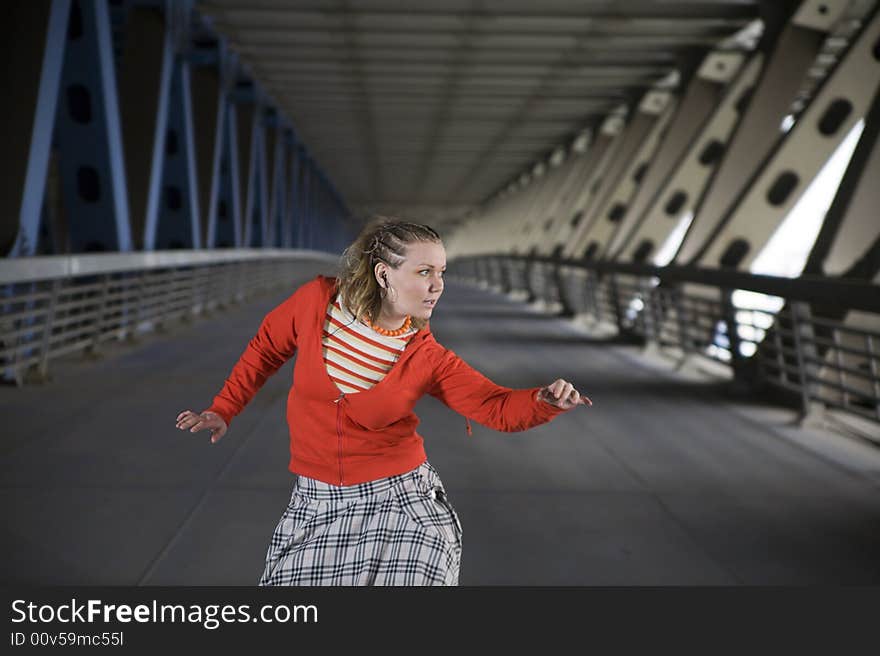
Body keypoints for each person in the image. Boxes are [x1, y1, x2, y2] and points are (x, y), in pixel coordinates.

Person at [175, 218, 591, 586]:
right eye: (424, 271)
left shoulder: (427, 358)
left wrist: (544, 401)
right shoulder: (317, 302)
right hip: (316, 503)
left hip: (402, 503)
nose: (437, 285)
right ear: (384, 274)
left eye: (442, 272)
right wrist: (224, 407)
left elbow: (495, 406)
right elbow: (265, 348)